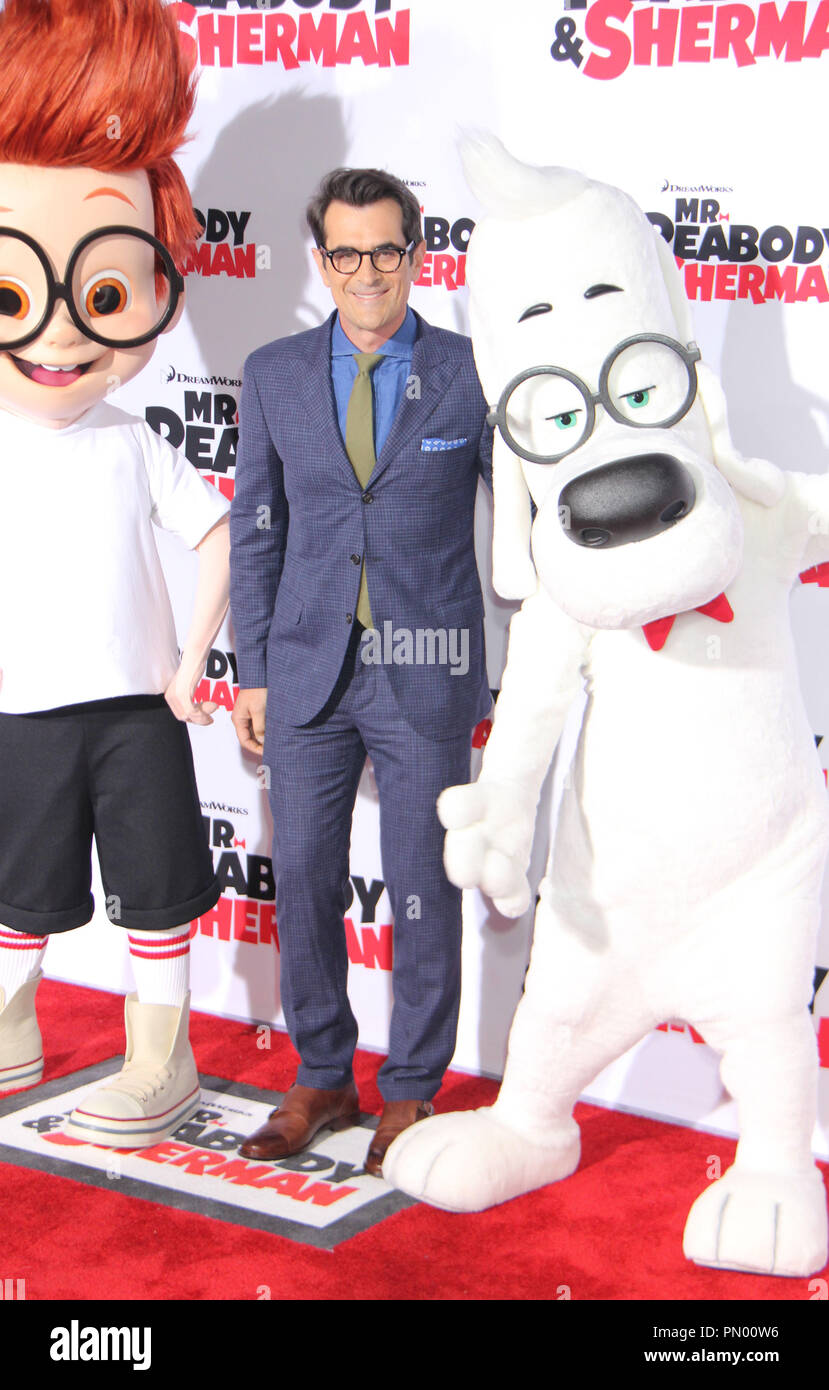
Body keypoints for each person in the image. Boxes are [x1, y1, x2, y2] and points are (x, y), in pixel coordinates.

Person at [230, 167, 492, 1176]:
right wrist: (252, 669)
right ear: (321, 261)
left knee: (423, 884)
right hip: (304, 672)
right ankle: (323, 1074)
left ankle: (412, 1090)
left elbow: (514, 518)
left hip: (424, 670)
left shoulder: (470, 371)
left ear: (417, 253)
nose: (368, 273)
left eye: (387, 250)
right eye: (347, 253)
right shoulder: (274, 372)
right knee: (300, 876)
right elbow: (260, 531)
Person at [0, 0, 230, 1147]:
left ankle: (162, 1057)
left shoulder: (139, 439)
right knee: (15, 895)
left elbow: (218, 534)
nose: (51, 330)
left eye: (99, 294)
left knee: (159, 892)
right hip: (20, 711)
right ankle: (11, 1033)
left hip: (138, 711)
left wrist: (193, 660)